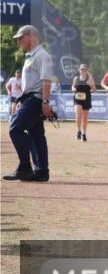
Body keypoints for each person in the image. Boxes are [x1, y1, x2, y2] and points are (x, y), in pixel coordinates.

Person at [3, 26, 53, 182]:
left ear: (31, 36)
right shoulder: (31, 56)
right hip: (31, 99)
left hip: (36, 99)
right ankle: (41, 171)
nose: (18, 41)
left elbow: (46, 80)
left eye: (20, 38)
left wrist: (45, 101)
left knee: (15, 128)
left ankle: (25, 167)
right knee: (37, 135)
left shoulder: (42, 55)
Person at [72, 64, 96, 142]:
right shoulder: (76, 78)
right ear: (79, 71)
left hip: (86, 99)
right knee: (78, 116)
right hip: (78, 99)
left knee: (85, 118)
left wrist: (90, 84)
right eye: (82, 69)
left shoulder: (90, 79)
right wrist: (73, 89)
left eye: (84, 70)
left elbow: (95, 90)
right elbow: (73, 86)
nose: (83, 71)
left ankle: (84, 134)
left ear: (87, 71)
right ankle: (78, 131)